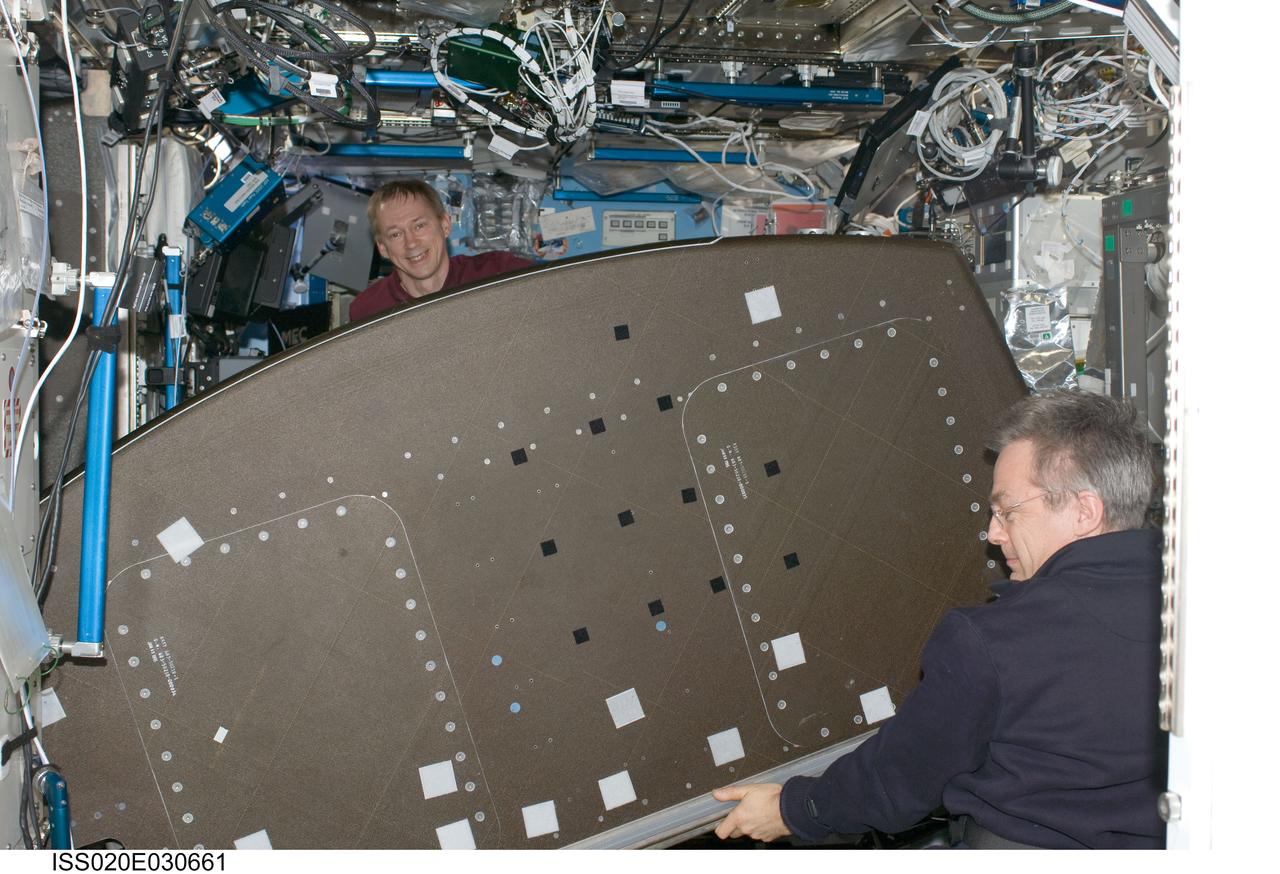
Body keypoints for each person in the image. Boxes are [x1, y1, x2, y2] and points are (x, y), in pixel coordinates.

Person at [713, 390, 1167, 849]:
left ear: (1084, 512)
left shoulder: (997, 640)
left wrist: (792, 810)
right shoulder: (1196, 612)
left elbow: (897, 780)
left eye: (1007, 512)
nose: (993, 534)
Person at [348, 179, 535, 321]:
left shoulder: (502, 273)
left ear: (445, 225)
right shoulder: (367, 312)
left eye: (419, 226)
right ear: (383, 248)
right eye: (395, 234)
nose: (411, 243)